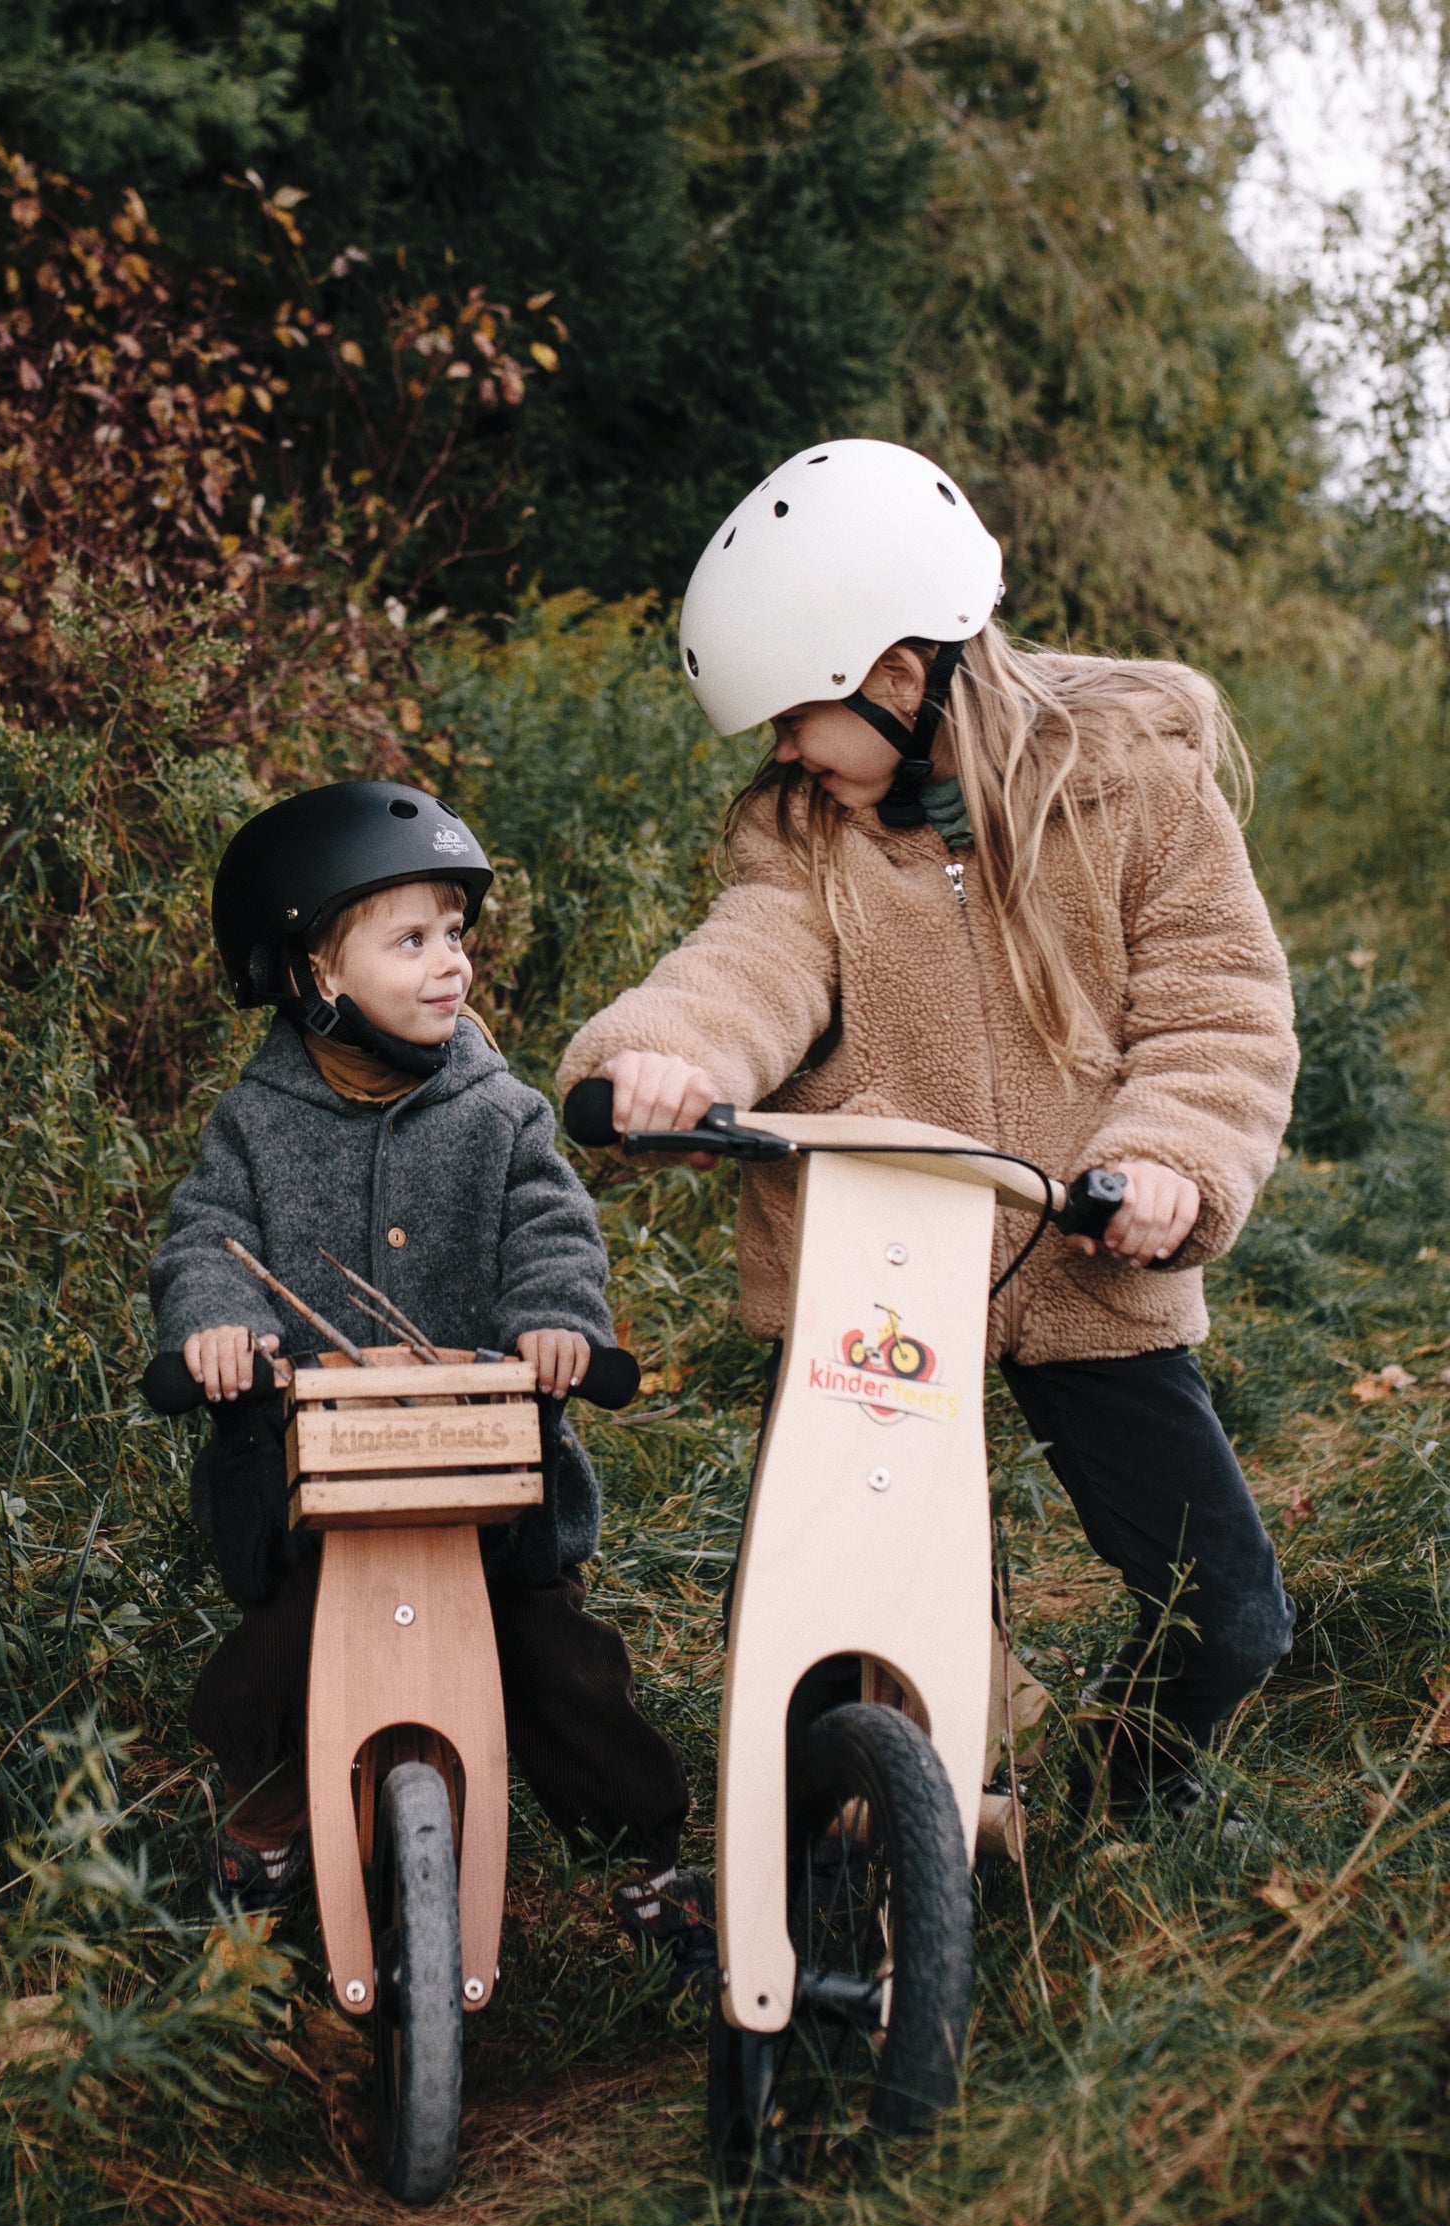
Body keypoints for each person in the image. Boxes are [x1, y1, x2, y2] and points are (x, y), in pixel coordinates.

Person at [556, 438, 1299, 1829]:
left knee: (1231, 1619)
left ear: (898, 678)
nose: (784, 753)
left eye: (796, 717)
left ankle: (1117, 1812)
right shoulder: (804, 835)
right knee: (832, 1625)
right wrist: (664, 1058)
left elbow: (1220, 1010)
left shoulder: (1135, 789)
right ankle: (826, 1865)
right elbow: (752, 963)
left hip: (1088, 1264)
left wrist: (1171, 1168)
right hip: (879, 1275)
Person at [150, 781, 703, 1965]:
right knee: (271, 1671)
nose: (449, 963)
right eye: (409, 940)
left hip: (487, 1482)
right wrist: (216, 1325)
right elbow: (207, 1238)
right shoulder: (257, 1121)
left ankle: (643, 1859)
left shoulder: (496, 1112)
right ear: (313, 974)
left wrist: (555, 1321)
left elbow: (551, 1232)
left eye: (455, 934)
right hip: (324, 1487)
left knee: (563, 1676)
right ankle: (274, 1808)